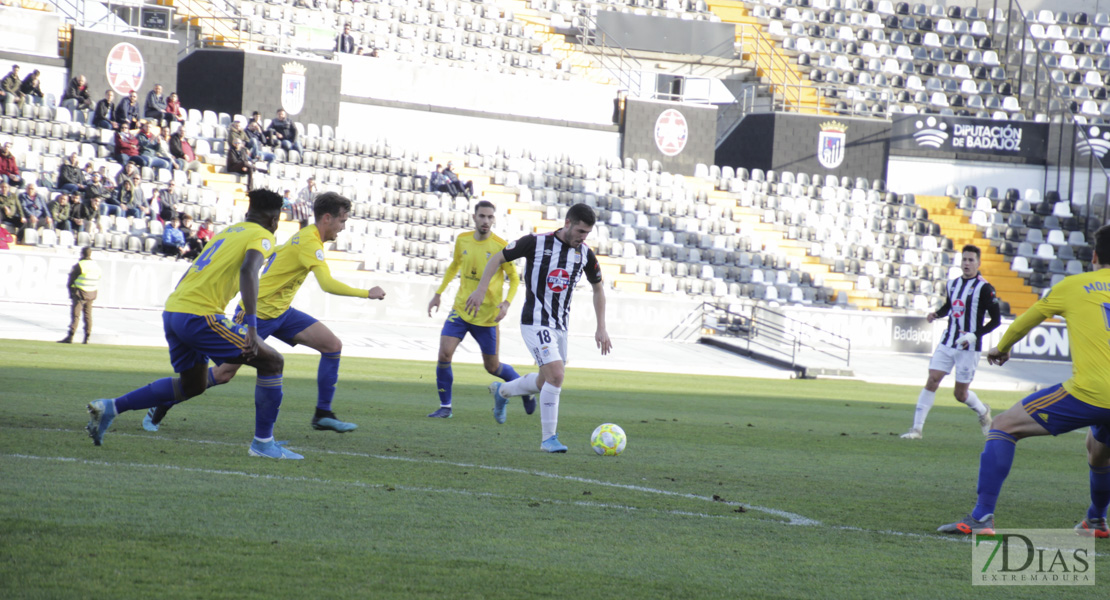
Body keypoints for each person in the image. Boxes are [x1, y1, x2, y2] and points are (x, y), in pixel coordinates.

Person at [143, 192, 386, 434]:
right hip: (257, 311)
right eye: (342, 221)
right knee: (225, 373)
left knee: (332, 345)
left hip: (281, 312)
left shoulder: (305, 238)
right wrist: (367, 293)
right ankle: (163, 402)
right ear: (327, 218)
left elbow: (280, 254)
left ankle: (323, 413)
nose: (343, 227)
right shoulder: (310, 242)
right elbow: (327, 284)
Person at [83, 189, 299, 459]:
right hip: (201, 315)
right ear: (274, 218)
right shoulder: (262, 235)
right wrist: (252, 329)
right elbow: (248, 270)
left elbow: (192, 270)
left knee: (193, 385)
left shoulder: (228, 232)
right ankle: (263, 444)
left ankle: (111, 407)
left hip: (175, 310)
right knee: (272, 362)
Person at [938, 225, 1110, 538]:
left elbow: (1025, 320)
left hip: (1090, 393)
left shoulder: (1074, 286)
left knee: (1003, 425)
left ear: (1095, 256)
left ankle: (982, 517)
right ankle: (1096, 520)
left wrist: (1001, 349)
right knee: (1098, 450)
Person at [465, 203, 612, 452]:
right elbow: (498, 259)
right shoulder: (535, 242)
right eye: (580, 231)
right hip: (534, 321)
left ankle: (502, 391)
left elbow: (598, 288)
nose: (582, 237)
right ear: (567, 223)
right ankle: (548, 439)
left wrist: (601, 327)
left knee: (546, 383)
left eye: (587, 233)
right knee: (557, 375)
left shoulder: (585, 254)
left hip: (560, 327)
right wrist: (480, 289)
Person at [427, 201, 527, 418]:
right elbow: (454, 266)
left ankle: (524, 389)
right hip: (461, 310)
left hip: (487, 316)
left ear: (494, 220)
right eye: (482, 216)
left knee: (492, 367)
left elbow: (514, 278)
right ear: (474, 217)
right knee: (444, 354)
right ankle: (445, 407)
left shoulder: (500, 245)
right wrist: (438, 293)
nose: (486, 221)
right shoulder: (463, 239)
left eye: (490, 217)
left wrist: (507, 303)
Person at [900, 245, 1000, 440]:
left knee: (960, 395)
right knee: (932, 380)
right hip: (948, 341)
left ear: (978, 263)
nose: (967, 263)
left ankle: (982, 411)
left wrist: (974, 335)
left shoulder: (985, 288)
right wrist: (936, 314)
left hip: (968, 347)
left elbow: (995, 320)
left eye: (971, 260)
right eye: (964, 259)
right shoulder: (952, 284)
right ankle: (916, 430)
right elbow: (950, 306)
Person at [60, 246, 100, 344]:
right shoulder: (96, 265)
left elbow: (71, 280)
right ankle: (87, 337)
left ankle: (70, 336)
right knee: (88, 316)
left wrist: (71, 292)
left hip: (80, 294)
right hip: (91, 293)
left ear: (82, 254)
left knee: (76, 315)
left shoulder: (80, 265)